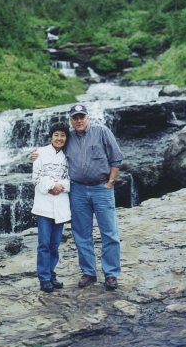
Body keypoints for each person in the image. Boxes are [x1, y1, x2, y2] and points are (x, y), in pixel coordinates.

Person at [33, 104, 123, 290]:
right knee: (81, 234)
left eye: (82, 116)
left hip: (101, 188)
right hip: (78, 191)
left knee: (109, 233)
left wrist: (111, 182)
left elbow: (116, 158)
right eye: (75, 118)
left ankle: (111, 274)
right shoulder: (68, 138)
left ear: (88, 117)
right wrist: (36, 154)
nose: (79, 120)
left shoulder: (102, 131)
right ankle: (89, 272)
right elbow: (51, 153)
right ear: (71, 121)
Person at [31, 121, 71, 293]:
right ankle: (44, 278)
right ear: (51, 136)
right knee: (44, 244)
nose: (59, 138)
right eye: (56, 135)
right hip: (44, 205)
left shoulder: (68, 156)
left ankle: (52, 273)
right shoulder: (40, 153)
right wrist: (50, 186)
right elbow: (35, 177)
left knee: (54, 244)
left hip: (60, 204)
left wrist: (61, 186)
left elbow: (71, 179)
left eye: (63, 135)